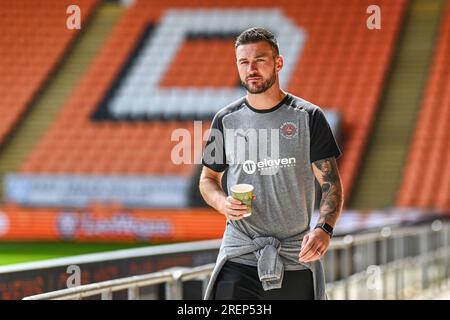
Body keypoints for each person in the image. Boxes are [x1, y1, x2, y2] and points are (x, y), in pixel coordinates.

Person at [199, 27, 344, 300]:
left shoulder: (309, 116)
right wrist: (222, 203)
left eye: (260, 60)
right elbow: (208, 180)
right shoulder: (225, 119)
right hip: (239, 254)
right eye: (244, 62)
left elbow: (331, 184)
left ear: (278, 63)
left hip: (294, 254)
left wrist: (324, 229)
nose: (251, 69)